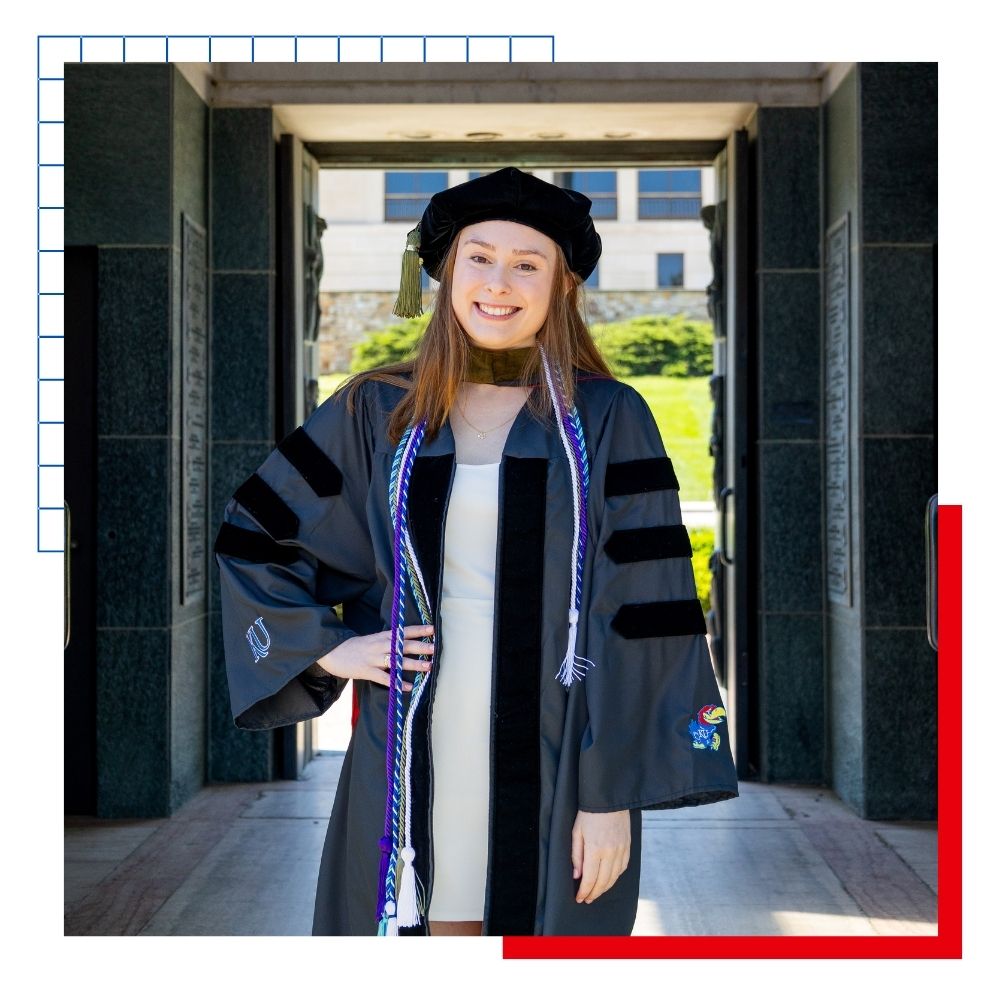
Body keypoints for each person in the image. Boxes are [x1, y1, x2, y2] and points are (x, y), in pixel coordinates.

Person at [214, 166, 738, 937]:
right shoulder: (374, 410)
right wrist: (331, 651)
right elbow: (256, 536)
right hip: (413, 738)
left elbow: (645, 616)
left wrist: (610, 796)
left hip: (559, 750)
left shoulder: (605, 419)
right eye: (479, 257)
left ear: (561, 286)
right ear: (443, 273)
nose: (500, 282)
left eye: (528, 263)